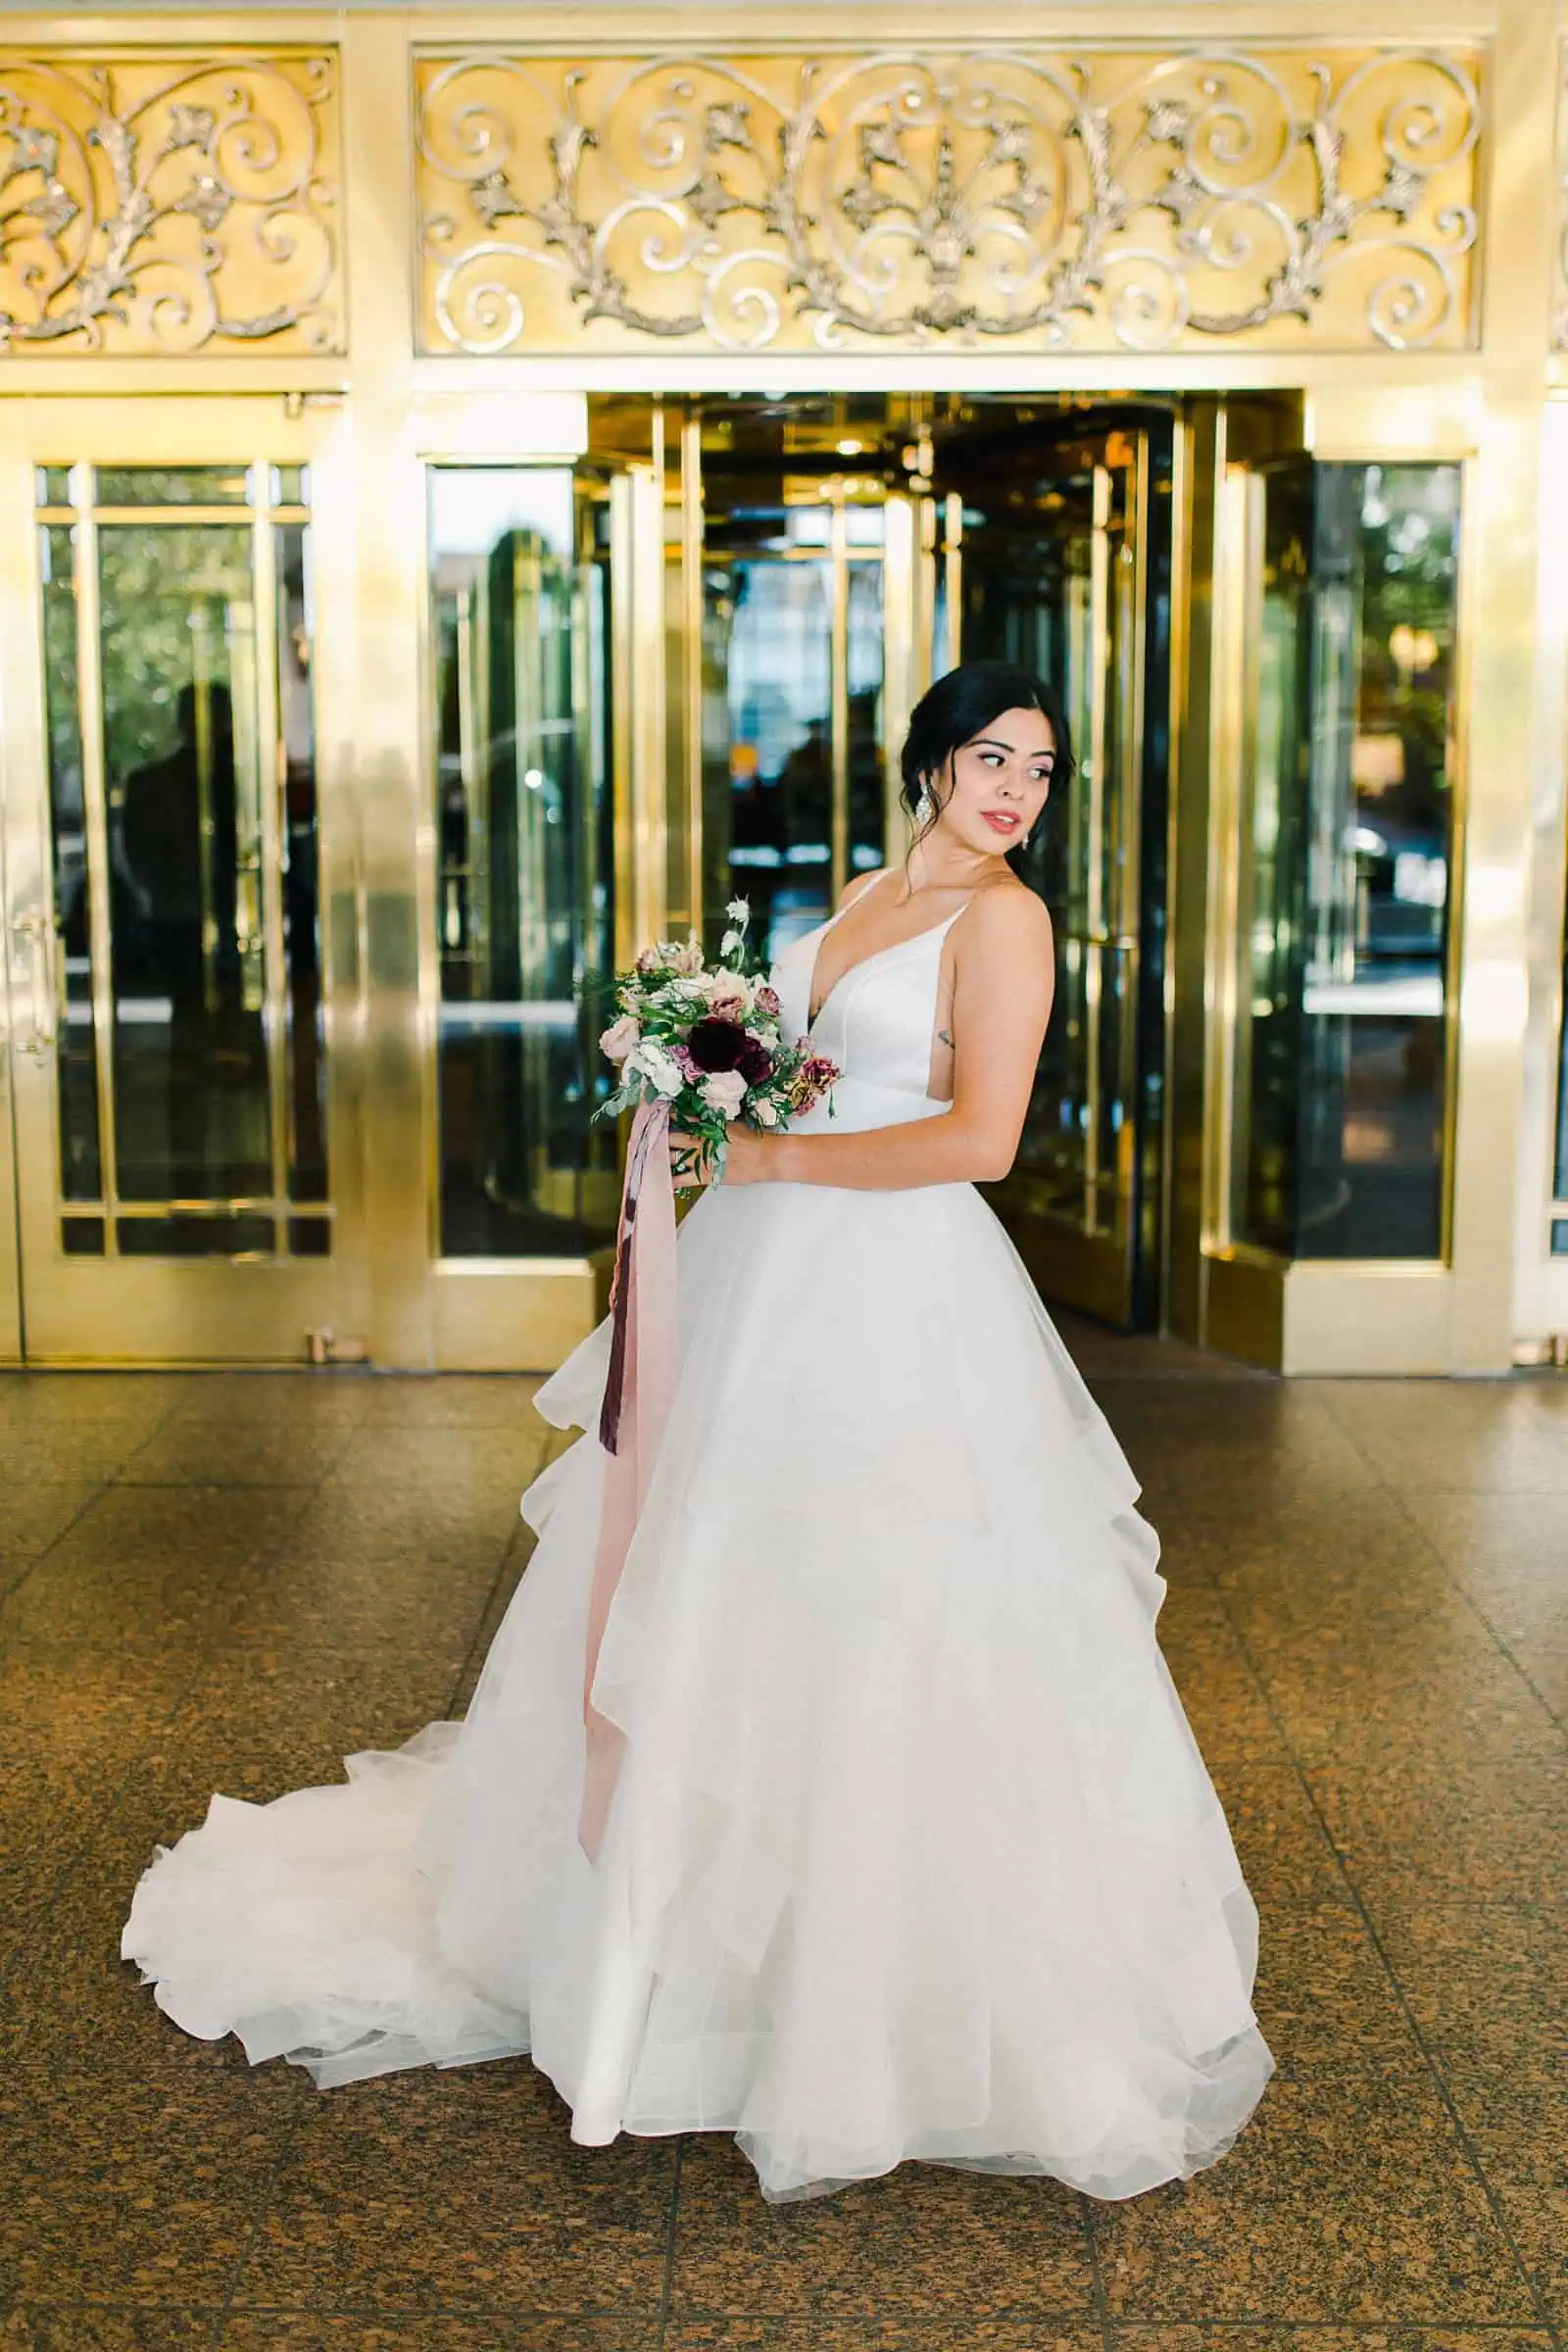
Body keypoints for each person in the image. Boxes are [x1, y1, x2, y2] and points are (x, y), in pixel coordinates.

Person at [122, 661, 1274, 2204]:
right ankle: (654, 1938)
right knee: (706, 1567)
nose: (1015, 790)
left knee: (882, 1599)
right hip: (766, 1277)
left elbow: (982, 1140)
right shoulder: (865, 890)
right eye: (992, 758)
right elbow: (803, 1071)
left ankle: (861, 1986)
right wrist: (703, 1082)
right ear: (928, 762)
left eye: (1043, 772)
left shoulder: (1009, 921)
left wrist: (776, 1162)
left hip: (895, 1293)